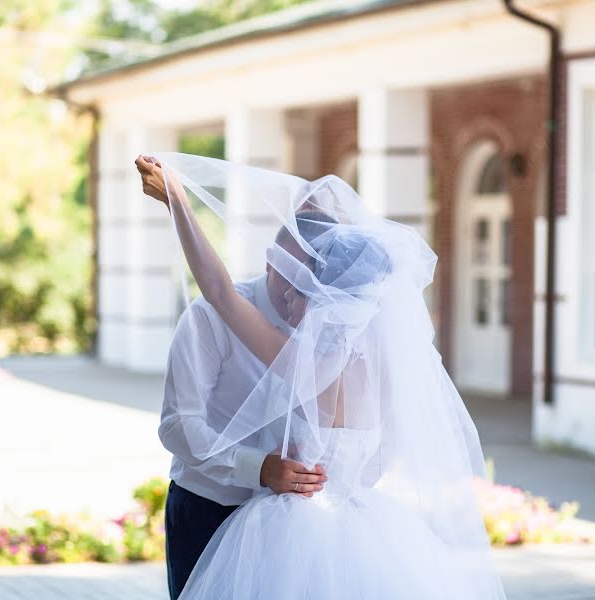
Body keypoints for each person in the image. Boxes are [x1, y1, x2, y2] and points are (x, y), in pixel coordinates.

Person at [136, 153, 505, 599]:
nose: (289, 294)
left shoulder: (303, 360)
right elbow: (374, 457)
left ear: (322, 288)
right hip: (332, 521)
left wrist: (179, 200)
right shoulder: (384, 359)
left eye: (301, 283)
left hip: (289, 528)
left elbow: (217, 290)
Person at [158, 203, 335, 597]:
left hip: (292, 528)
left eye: (310, 281)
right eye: (290, 275)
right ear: (270, 261)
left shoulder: (335, 335)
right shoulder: (209, 316)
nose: (294, 291)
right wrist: (258, 469)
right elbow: (176, 425)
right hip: (209, 509)